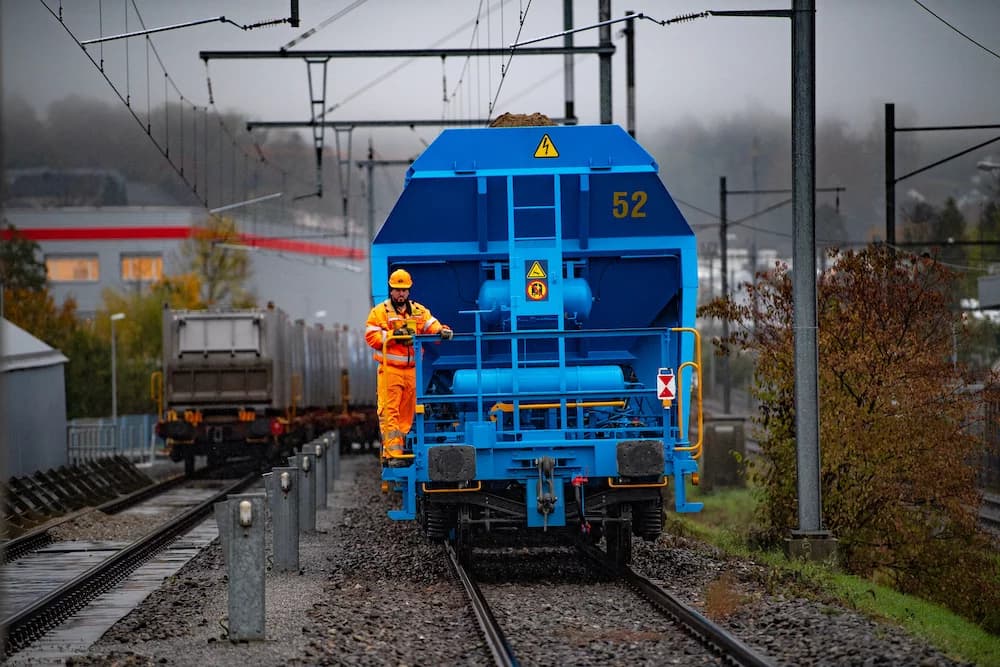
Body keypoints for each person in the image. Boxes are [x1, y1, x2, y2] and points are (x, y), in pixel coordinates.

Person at [364, 268, 452, 466]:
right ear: (391, 290)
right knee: (389, 411)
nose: (401, 294)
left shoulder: (419, 311)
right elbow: (371, 336)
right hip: (390, 370)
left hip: (412, 371)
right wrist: (395, 336)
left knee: (406, 413)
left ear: (409, 290)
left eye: (404, 290)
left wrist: (442, 330)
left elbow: (431, 325)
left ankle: (398, 449)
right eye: (397, 290)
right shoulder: (380, 313)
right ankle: (392, 454)